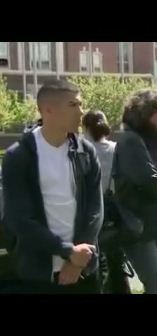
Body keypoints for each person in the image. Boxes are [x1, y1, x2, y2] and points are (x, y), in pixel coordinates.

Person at [2, 79, 103, 294]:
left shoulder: (85, 152)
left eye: (80, 104)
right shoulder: (19, 156)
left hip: (83, 270)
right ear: (48, 110)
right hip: (38, 273)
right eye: (73, 105)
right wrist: (66, 251)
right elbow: (19, 219)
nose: (81, 112)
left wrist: (78, 260)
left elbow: (95, 210)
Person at [114, 88, 157, 294]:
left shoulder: (155, 143)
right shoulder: (131, 141)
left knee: (156, 289)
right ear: (142, 112)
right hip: (139, 227)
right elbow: (153, 184)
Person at [82, 110, 132, 294]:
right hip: (113, 210)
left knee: (96, 263)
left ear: (86, 127)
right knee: (117, 260)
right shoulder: (115, 148)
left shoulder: (83, 150)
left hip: (91, 211)